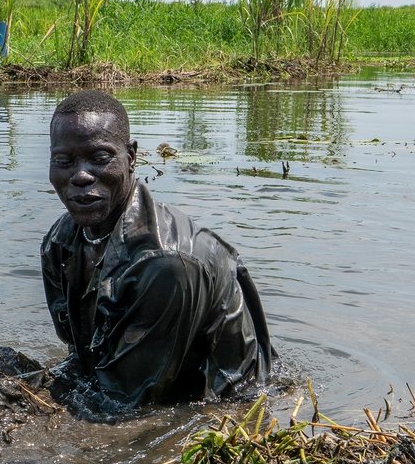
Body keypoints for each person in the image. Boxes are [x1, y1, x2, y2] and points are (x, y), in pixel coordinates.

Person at [41, 90, 273, 416]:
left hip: (220, 409)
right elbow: (80, 357)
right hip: (141, 383)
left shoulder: (167, 264)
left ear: (132, 157)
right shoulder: (61, 242)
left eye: (99, 158)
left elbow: (123, 408)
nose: (80, 176)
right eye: (63, 162)